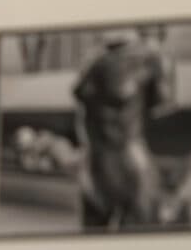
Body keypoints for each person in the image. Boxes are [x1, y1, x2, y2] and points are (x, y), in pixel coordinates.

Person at [72, 28, 172, 230]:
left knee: (93, 241)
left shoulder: (91, 59)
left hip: (95, 159)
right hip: (125, 161)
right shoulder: (150, 57)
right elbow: (161, 104)